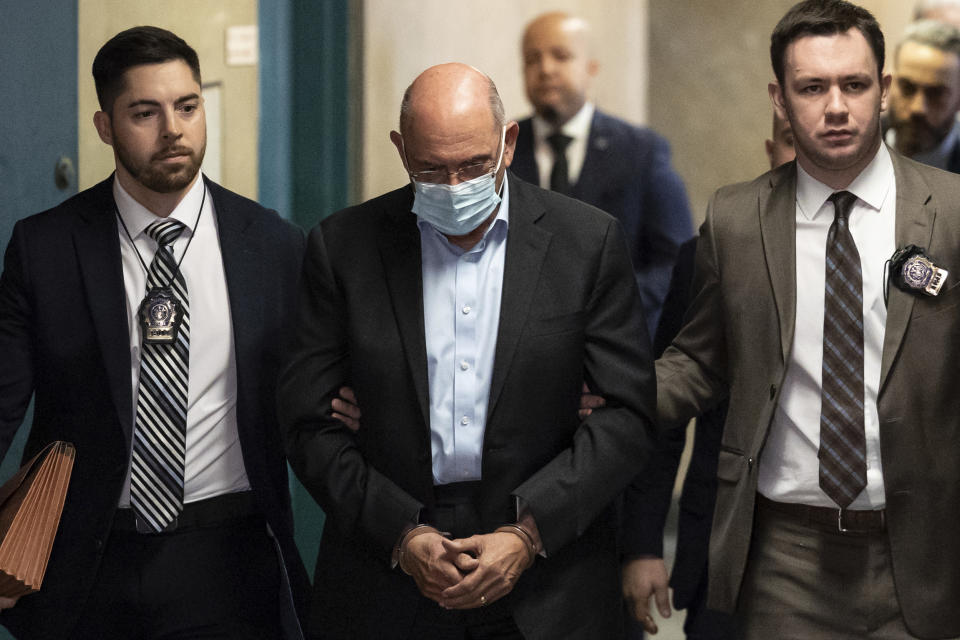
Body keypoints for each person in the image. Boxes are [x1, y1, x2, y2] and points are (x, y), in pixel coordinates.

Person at [278, 63, 657, 640]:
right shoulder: (342, 247)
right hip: (385, 580)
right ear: (400, 150)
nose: (454, 188)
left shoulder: (587, 242)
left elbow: (628, 416)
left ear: (508, 144)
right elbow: (307, 424)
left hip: (551, 583)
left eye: (473, 165)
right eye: (431, 169)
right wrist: (402, 538)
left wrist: (528, 532)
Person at [651, 1, 960, 637]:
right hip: (787, 559)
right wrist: (609, 388)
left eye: (855, 84)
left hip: (925, 551)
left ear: (885, 90)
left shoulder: (952, 212)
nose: (837, 106)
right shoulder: (737, 221)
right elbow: (698, 363)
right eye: (812, 88)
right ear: (780, 98)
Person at [0, 26, 309, 639]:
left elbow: (316, 386)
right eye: (146, 112)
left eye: (188, 107)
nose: (174, 129)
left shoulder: (273, 245)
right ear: (104, 126)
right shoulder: (46, 248)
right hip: (89, 561)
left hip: (230, 553)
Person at [616, 109, 797, 640]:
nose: (804, 160)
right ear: (769, 153)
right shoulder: (709, 253)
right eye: (791, 142)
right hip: (723, 549)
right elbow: (666, 413)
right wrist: (643, 545)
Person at [511, 11, 693, 336]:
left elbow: (677, 263)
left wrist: (607, 304)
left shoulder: (641, 151)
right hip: (521, 350)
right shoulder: (501, 151)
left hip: (618, 344)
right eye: (532, 59)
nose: (546, 68)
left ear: (591, 67)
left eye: (561, 55)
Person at [882, 20, 960, 171]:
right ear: (887, 84)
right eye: (907, 88)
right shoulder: (855, 146)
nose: (918, 108)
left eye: (936, 94)